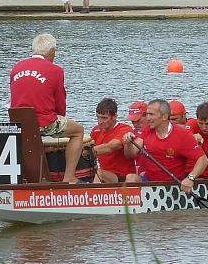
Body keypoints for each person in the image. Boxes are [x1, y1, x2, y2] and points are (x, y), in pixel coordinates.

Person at [9, 33, 85, 184]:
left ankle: (25, 177)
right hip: (44, 123)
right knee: (78, 131)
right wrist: (60, 117)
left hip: (18, 125)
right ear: (51, 52)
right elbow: (60, 103)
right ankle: (69, 177)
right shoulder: (56, 70)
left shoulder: (16, 68)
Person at [125, 99, 208, 193]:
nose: (147, 118)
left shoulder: (182, 135)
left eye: (151, 114)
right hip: (149, 181)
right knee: (130, 177)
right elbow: (130, 154)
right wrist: (128, 143)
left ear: (164, 116)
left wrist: (190, 178)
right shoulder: (146, 130)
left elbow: (203, 159)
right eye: (147, 114)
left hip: (173, 185)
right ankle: (132, 206)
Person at [88, 98, 140, 183]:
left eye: (104, 118)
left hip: (123, 176)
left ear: (115, 116)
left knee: (99, 173)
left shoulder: (124, 129)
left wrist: (86, 152)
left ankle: (91, 195)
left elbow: (111, 147)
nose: (100, 121)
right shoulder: (95, 130)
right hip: (107, 175)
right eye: (98, 117)